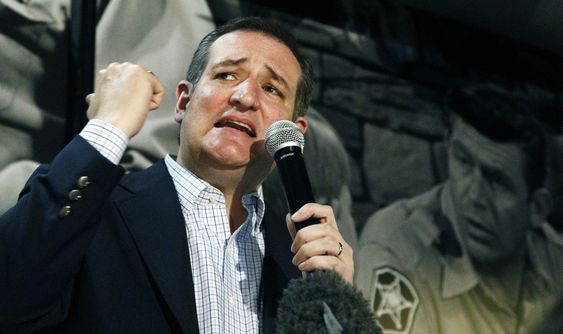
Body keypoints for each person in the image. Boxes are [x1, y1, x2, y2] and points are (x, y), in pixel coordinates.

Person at [0, 17, 354, 333]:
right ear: (183, 102)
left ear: (295, 132)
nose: (245, 97)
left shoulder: (302, 261)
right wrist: (110, 126)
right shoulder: (92, 210)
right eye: (227, 74)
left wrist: (337, 311)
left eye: (271, 88)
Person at [356, 84, 563, 334]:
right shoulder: (398, 247)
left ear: (537, 209)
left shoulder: (554, 259)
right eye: (463, 162)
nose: (473, 196)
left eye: (496, 181)